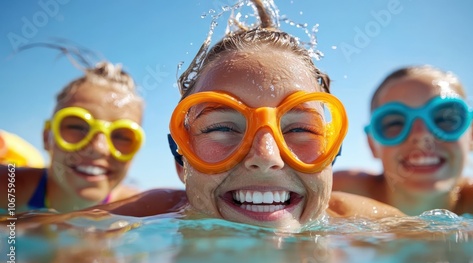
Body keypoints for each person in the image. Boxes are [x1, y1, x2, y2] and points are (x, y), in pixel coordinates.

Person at [15, 0, 403, 231]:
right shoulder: (134, 222)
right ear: (181, 160)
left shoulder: (384, 229)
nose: (266, 154)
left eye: (299, 127)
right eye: (221, 127)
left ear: (332, 155)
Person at [332, 65, 473, 216]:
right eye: (395, 123)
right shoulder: (336, 193)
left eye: (445, 119)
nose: (421, 135)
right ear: (372, 144)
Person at [0, 58, 145, 213]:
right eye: (78, 127)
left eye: (121, 136)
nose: (98, 148)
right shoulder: (9, 189)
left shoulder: (139, 209)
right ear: (47, 137)